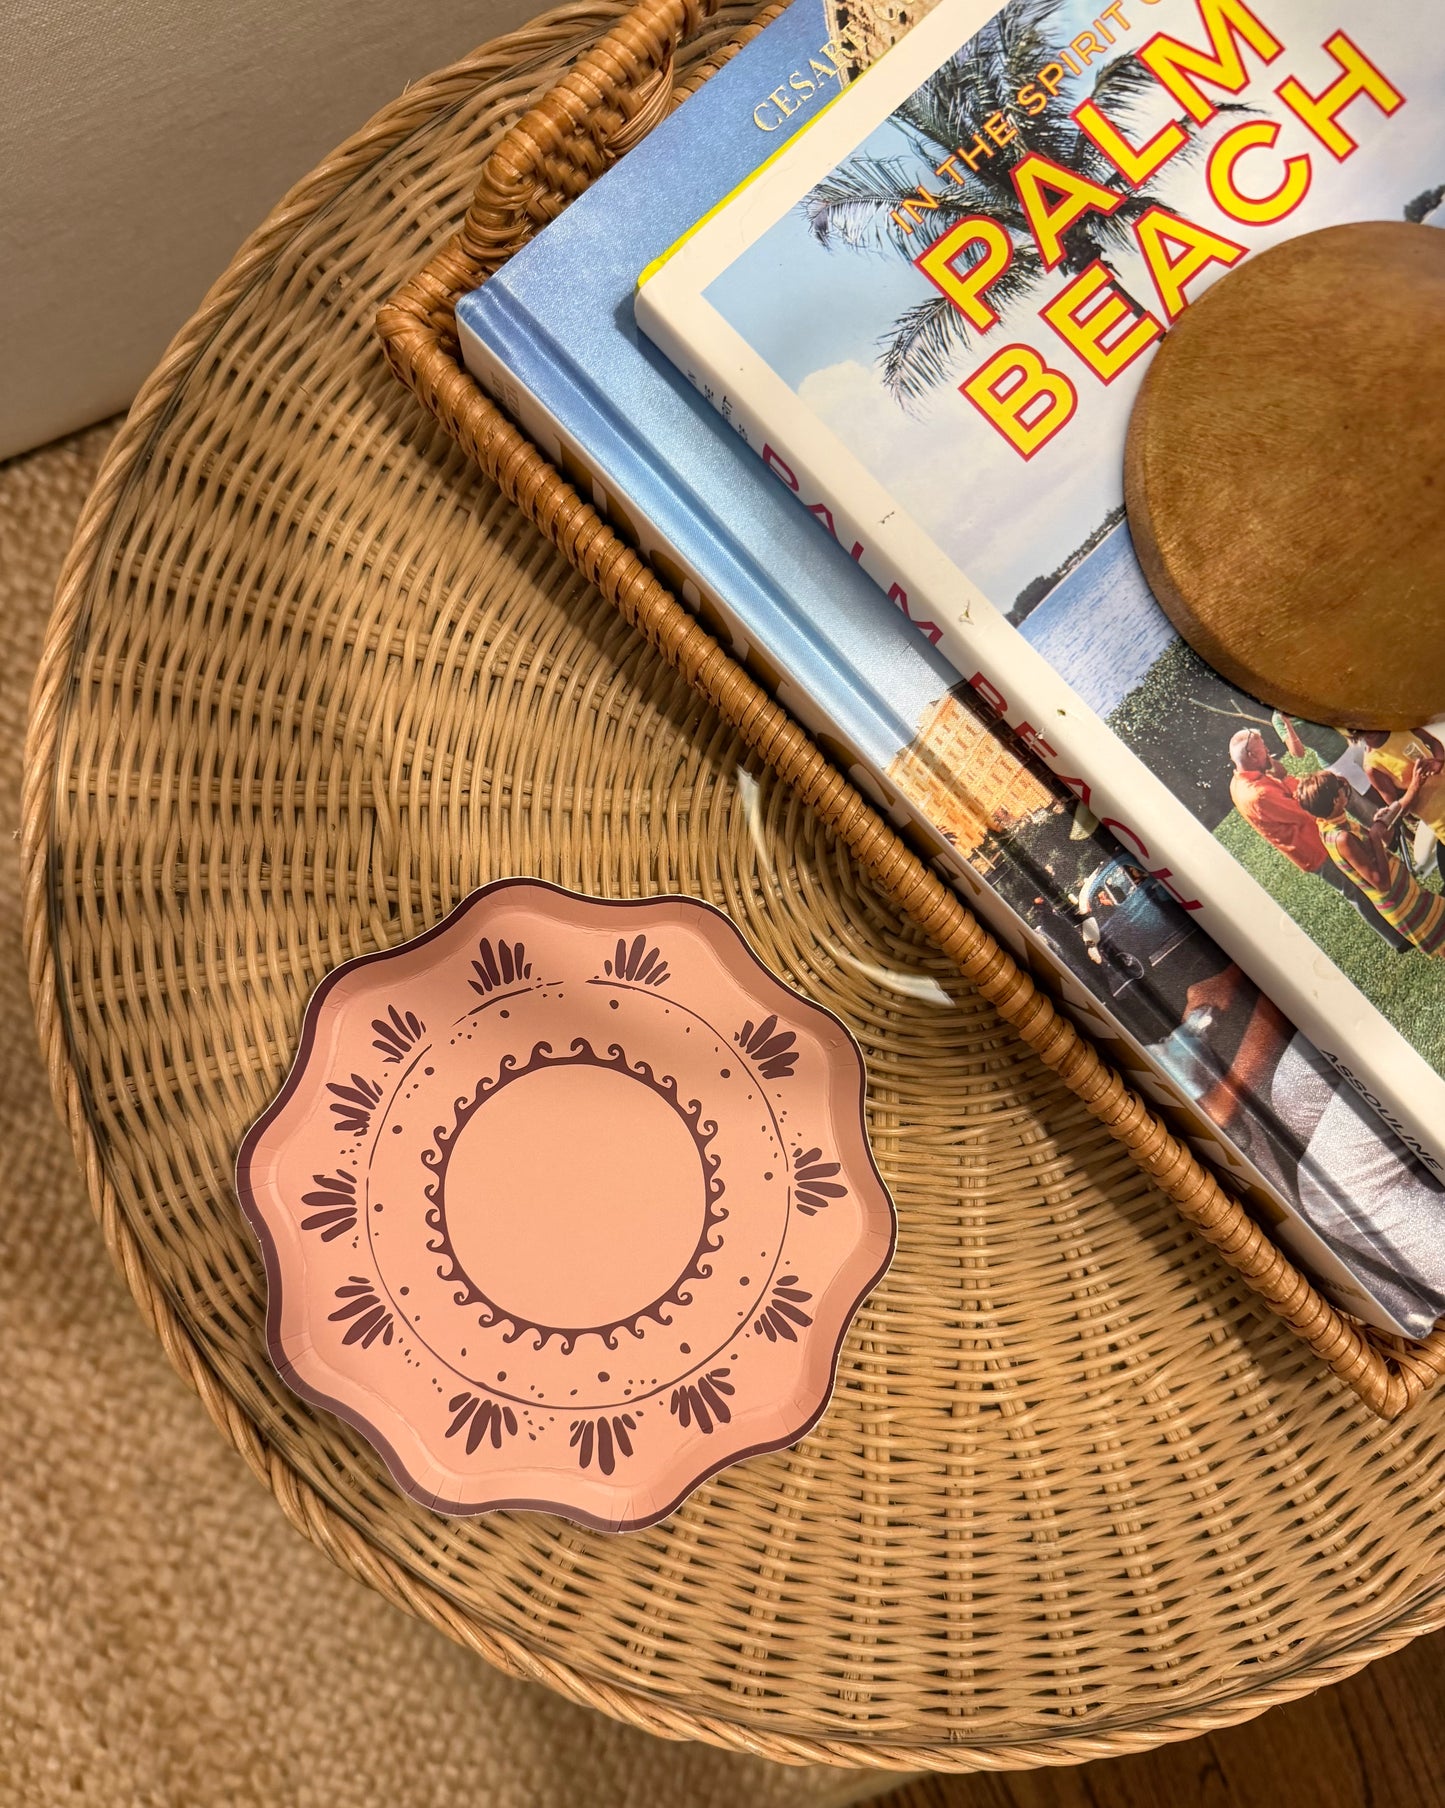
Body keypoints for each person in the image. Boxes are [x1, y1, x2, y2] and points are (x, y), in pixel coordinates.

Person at [1227, 727, 1411, 949]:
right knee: (1356, 889)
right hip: (1316, 850)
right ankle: (1399, 939)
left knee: (1360, 884)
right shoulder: (1258, 794)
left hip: (1317, 841)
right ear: (1252, 756)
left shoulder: (1240, 781)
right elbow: (1306, 809)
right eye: (1263, 749)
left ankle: (1399, 927)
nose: (1268, 750)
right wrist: (1286, 777)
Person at [1297, 770, 1445, 957]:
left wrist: (1378, 824)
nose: (1344, 788)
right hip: (1403, 904)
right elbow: (1381, 883)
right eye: (1340, 789)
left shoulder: (1328, 825)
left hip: (1408, 895)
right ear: (1335, 801)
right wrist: (1375, 836)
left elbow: (1367, 853)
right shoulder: (1342, 838)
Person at [1348, 726, 1445, 880]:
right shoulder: (1373, 766)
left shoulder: (1400, 726)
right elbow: (1399, 811)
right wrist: (1415, 785)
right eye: (1361, 730)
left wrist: (1439, 761)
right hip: (1440, 820)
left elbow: (1433, 742)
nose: (1369, 730)